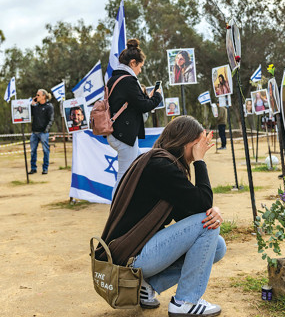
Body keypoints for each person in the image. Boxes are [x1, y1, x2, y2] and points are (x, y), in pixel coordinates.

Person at [96, 116, 225, 315]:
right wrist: (200, 162)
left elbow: (189, 212)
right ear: (187, 142)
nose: (202, 149)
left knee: (217, 246)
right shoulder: (161, 166)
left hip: (135, 252)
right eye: (199, 144)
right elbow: (202, 207)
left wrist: (210, 211)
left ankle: (146, 287)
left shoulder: (160, 162)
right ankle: (185, 302)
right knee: (207, 225)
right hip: (130, 259)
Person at [107, 38, 163, 190]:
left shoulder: (114, 79)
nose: (140, 71)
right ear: (133, 63)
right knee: (124, 177)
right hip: (125, 136)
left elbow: (136, 103)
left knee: (140, 165)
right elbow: (144, 106)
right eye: (140, 67)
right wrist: (157, 96)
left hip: (118, 133)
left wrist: (148, 97)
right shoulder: (128, 81)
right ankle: (117, 210)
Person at [30, 89, 54, 174]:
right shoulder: (36, 106)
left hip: (43, 132)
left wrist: (46, 129)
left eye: (38, 95)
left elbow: (51, 119)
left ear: (44, 96)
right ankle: (33, 168)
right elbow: (30, 115)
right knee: (33, 151)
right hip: (34, 132)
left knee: (45, 150)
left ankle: (45, 168)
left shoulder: (49, 106)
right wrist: (32, 105)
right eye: (36, 95)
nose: (36, 96)